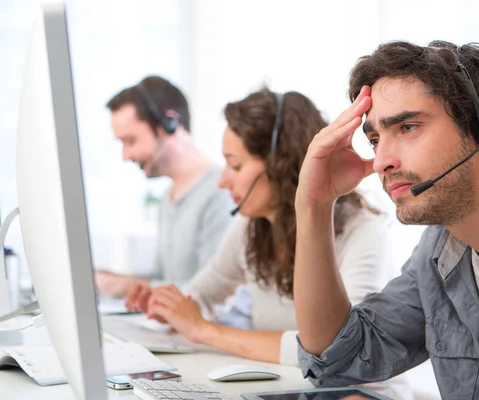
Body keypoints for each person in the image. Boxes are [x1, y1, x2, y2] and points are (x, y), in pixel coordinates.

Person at [294, 40, 479, 399]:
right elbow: (339, 359)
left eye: (407, 127)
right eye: (374, 139)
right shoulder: (438, 252)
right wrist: (313, 205)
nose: (381, 162)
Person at [126, 88, 412, 399]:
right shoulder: (251, 229)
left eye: (235, 166)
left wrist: (205, 330)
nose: (223, 181)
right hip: (291, 390)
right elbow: (203, 294)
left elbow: (339, 350)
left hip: (357, 394)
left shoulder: (362, 229)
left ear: (279, 163)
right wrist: (167, 305)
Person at [95, 76, 234, 297]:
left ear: (169, 125)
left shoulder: (224, 192)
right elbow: (166, 280)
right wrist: (111, 280)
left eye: (131, 141)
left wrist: (125, 287)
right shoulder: (167, 199)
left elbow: (215, 294)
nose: (126, 155)